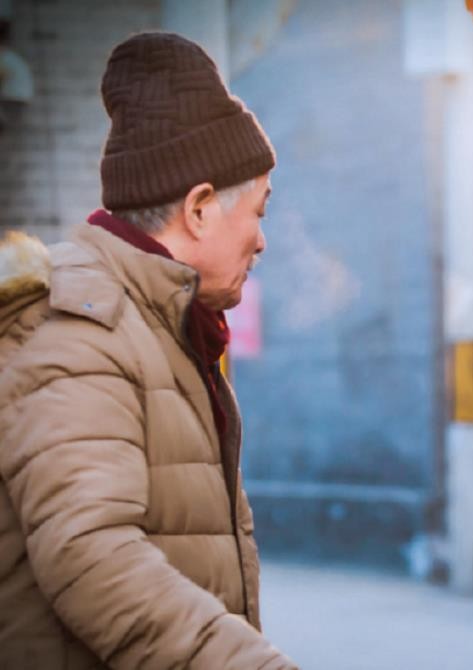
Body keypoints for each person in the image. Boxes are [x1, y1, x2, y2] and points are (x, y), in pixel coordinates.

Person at [0, 32, 297, 668]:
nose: (262, 242)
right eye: (259, 212)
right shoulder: (82, 328)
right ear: (198, 210)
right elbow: (92, 555)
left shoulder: (158, 324)